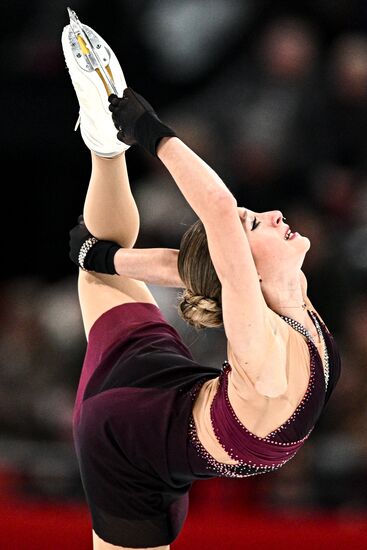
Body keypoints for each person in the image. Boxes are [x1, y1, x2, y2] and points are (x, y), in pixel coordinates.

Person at [61, 18, 341, 550]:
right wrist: (103, 257)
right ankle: (103, 145)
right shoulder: (278, 301)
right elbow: (201, 263)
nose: (276, 213)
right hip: (161, 409)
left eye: (253, 221)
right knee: (98, 274)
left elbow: (216, 217)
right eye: (257, 218)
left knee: (99, 273)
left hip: (126, 441)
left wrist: (149, 128)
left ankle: (106, 142)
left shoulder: (265, 332)